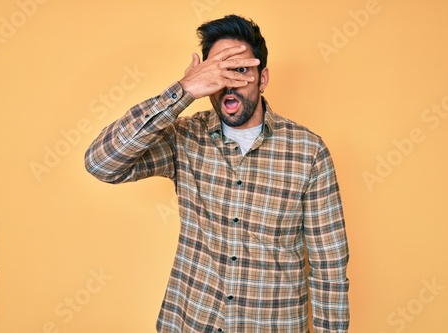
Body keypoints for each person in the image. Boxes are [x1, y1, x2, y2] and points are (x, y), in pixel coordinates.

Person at [85, 14, 349, 333]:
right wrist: (182, 91)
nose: (229, 85)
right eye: (218, 71)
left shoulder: (308, 152)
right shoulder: (183, 137)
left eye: (240, 71)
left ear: (262, 78)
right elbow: (101, 163)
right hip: (191, 323)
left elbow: (329, 268)